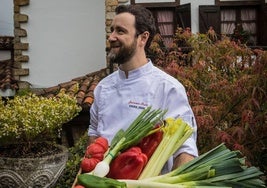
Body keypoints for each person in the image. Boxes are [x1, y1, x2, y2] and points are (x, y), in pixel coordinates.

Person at [88, 4, 198, 173]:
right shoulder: (103, 88)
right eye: (112, 30)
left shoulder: (168, 89)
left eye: (120, 31)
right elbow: (94, 133)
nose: (111, 37)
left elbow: (185, 149)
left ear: (143, 38)